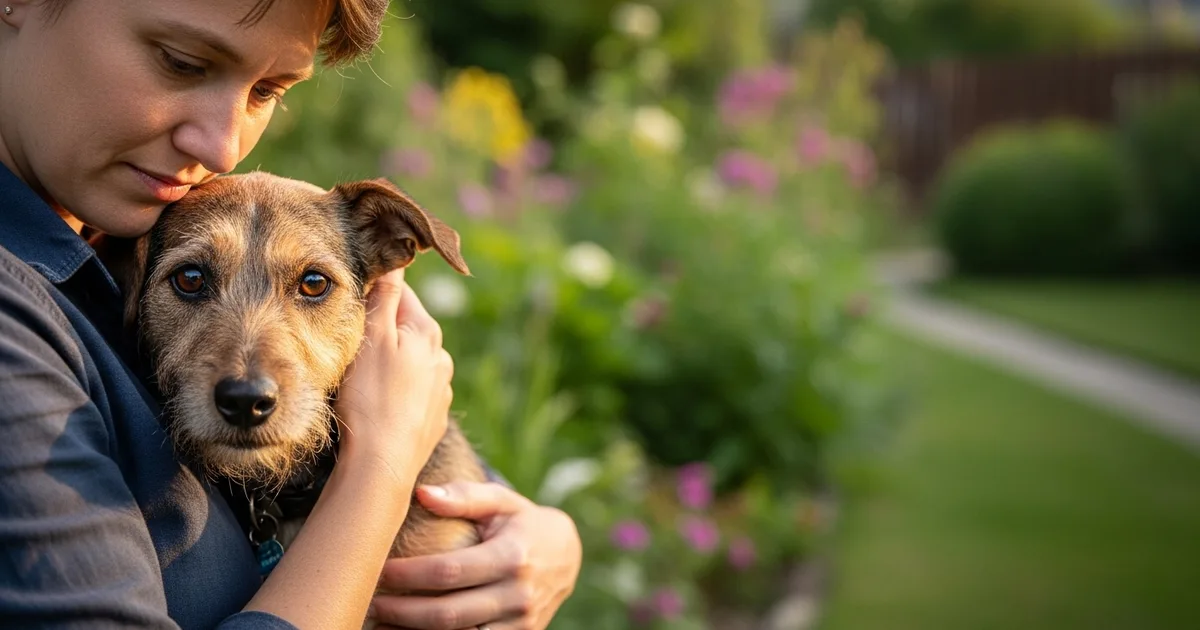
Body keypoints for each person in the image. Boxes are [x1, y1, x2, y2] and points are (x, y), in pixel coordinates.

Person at [0, 1, 582, 628]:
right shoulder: (30, 310)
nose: (224, 151)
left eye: (268, 90)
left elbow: (456, 480)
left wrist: (541, 535)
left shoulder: (106, 227)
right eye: (182, 62)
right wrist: (380, 466)